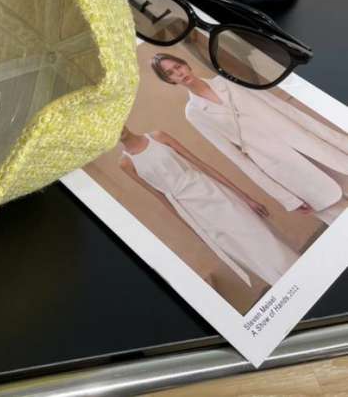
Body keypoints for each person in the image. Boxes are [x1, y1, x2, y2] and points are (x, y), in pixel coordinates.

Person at [151, 53, 348, 225]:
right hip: (282, 167)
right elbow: (235, 157)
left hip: (307, 144)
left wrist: (340, 141)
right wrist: (287, 198)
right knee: (338, 217)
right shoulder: (194, 113)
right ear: (169, 81)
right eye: (170, 73)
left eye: (178, 66)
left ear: (186, 65)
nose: (178, 73)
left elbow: (284, 109)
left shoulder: (228, 80)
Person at [119, 126, 298, 287]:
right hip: (191, 210)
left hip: (210, 191)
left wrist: (245, 197)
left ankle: (298, 273)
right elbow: (160, 197)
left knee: (259, 233)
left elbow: (202, 165)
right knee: (241, 249)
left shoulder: (158, 136)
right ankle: (284, 287)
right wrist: (195, 230)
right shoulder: (126, 164)